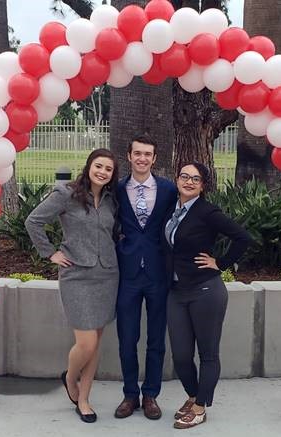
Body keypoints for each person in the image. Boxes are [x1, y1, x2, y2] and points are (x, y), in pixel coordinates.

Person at [25, 149, 119, 424]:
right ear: (89, 166)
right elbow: (34, 221)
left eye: (108, 169)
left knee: (97, 342)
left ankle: (85, 399)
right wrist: (50, 252)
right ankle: (69, 377)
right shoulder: (67, 193)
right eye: (98, 166)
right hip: (76, 275)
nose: (102, 172)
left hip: (108, 275)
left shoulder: (112, 200)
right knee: (86, 342)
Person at [163, 162, 251, 429]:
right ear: (177, 179)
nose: (189, 182)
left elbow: (243, 238)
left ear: (203, 185)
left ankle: (201, 406)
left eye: (196, 179)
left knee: (208, 354)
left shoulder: (207, 212)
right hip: (176, 292)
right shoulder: (172, 208)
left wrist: (221, 263)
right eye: (184, 177)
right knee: (180, 356)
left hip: (205, 291)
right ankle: (193, 395)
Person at [114, 134, 177, 420]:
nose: (142, 158)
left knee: (156, 339)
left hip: (158, 274)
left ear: (154, 158)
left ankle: (150, 394)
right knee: (127, 338)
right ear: (129, 156)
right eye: (137, 153)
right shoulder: (116, 189)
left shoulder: (168, 190)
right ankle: (130, 394)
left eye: (147, 154)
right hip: (127, 274)